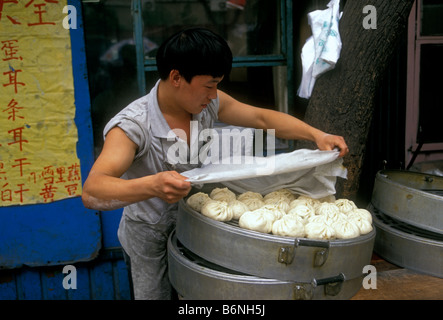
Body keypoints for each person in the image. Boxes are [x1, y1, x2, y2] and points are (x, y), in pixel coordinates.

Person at [81, 27, 349, 300]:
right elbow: (93, 191)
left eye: (217, 85)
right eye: (209, 85)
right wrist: (153, 185)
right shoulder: (133, 126)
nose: (214, 94)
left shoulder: (206, 105)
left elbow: (261, 119)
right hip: (149, 241)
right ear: (176, 77)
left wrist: (317, 135)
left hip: (196, 228)